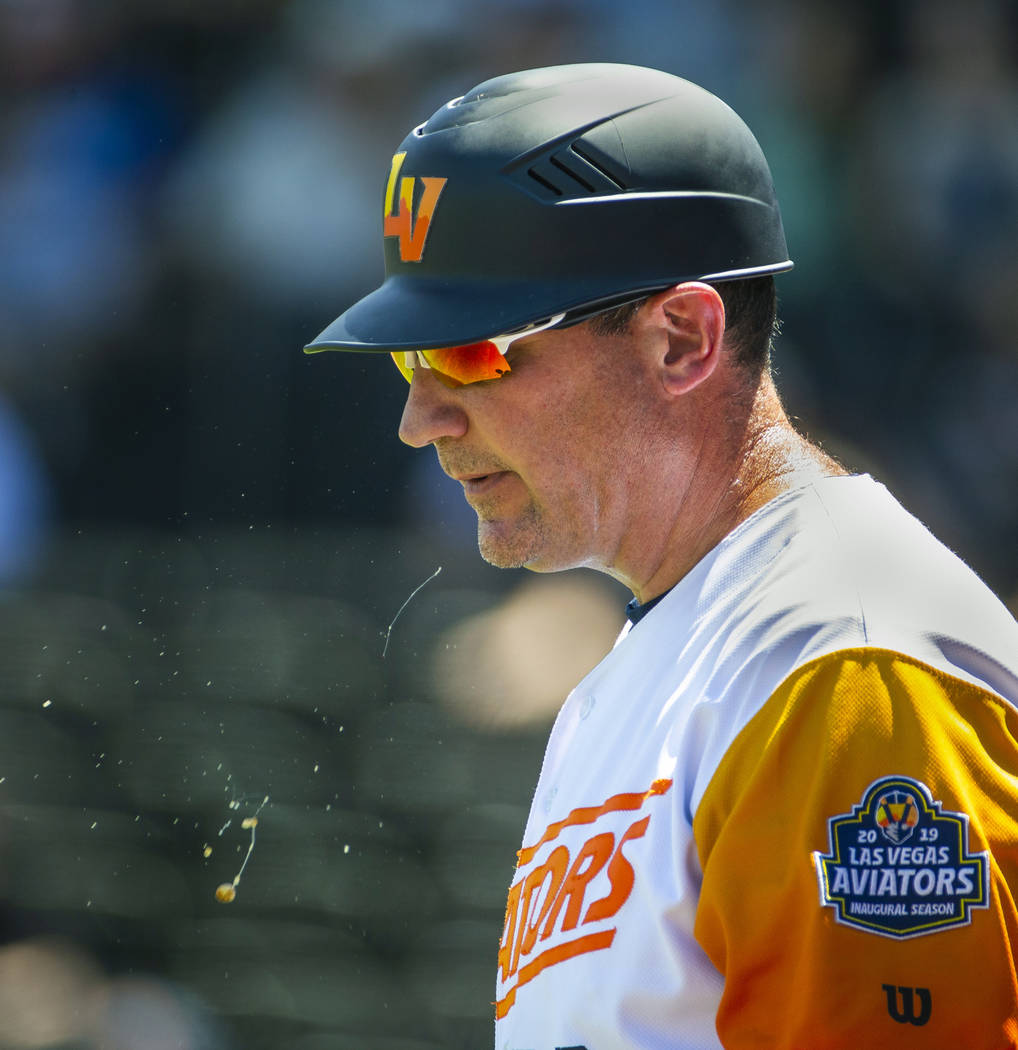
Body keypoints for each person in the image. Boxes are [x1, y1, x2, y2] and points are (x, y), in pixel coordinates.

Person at [304, 63, 1018, 1050]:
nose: (419, 418)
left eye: (468, 352)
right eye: (407, 358)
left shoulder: (841, 664)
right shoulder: (661, 663)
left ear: (680, 338)